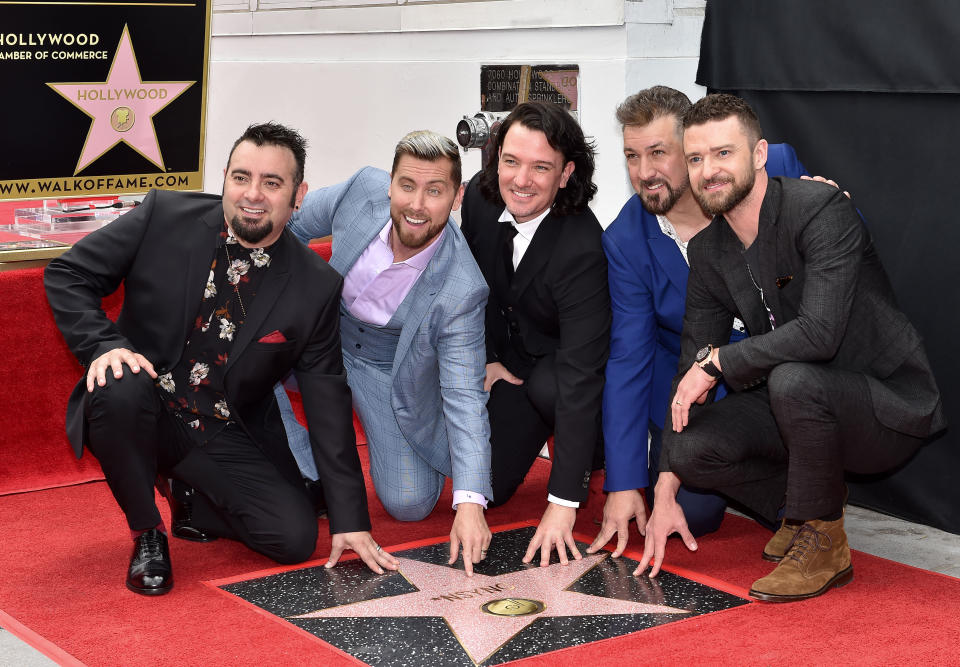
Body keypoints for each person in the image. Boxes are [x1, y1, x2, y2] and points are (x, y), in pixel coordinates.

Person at [44, 122, 398, 596]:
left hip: (218, 424)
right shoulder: (163, 215)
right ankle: (147, 533)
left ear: (298, 195)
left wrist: (352, 518)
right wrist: (104, 347)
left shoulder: (315, 286)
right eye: (241, 177)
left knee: (293, 538)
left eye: (272, 183)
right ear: (225, 178)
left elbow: (327, 401)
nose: (253, 194)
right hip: (141, 396)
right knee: (118, 385)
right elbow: (68, 274)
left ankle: (189, 494)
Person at [637, 94, 945, 602]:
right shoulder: (710, 250)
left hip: (885, 404)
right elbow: (691, 359)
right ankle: (803, 511)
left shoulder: (818, 208)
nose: (708, 171)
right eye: (695, 159)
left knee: (792, 377)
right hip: (796, 404)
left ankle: (823, 537)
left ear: (758, 154)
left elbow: (820, 333)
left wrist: (719, 363)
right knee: (690, 446)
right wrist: (666, 480)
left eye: (723, 154)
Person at [587, 86, 809, 559]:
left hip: (782, 359)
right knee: (699, 514)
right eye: (631, 155)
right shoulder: (626, 238)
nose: (644, 172)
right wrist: (623, 483)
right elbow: (629, 357)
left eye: (658, 153)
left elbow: (844, 242)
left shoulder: (772, 166)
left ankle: (804, 494)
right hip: (688, 376)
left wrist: (833, 196)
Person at [274, 130, 493, 575]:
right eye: (407, 186)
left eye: (435, 191)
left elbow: (465, 394)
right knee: (243, 353)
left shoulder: (463, 288)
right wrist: (277, 291)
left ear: (456, 198)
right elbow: (288, 222)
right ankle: (308, 468)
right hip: (318, 340)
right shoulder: (360, 191)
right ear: (390, 183)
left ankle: (391, 452)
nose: (416, 205)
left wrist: (470, 502)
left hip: (388, 371)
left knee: (409, 505)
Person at [460, 101, 611, 567]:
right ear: (496, 159)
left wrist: (562, 502)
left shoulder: (582, 247)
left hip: (565, 376)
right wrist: (486, 357)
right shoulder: (480, 204)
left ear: (565, 174)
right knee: (494, 488)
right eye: (511, 162)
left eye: (540, 167)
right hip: (510, 366)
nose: (521, 181)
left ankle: (596, 453)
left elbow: (584, 372)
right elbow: (471, 292)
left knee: (556, 385)